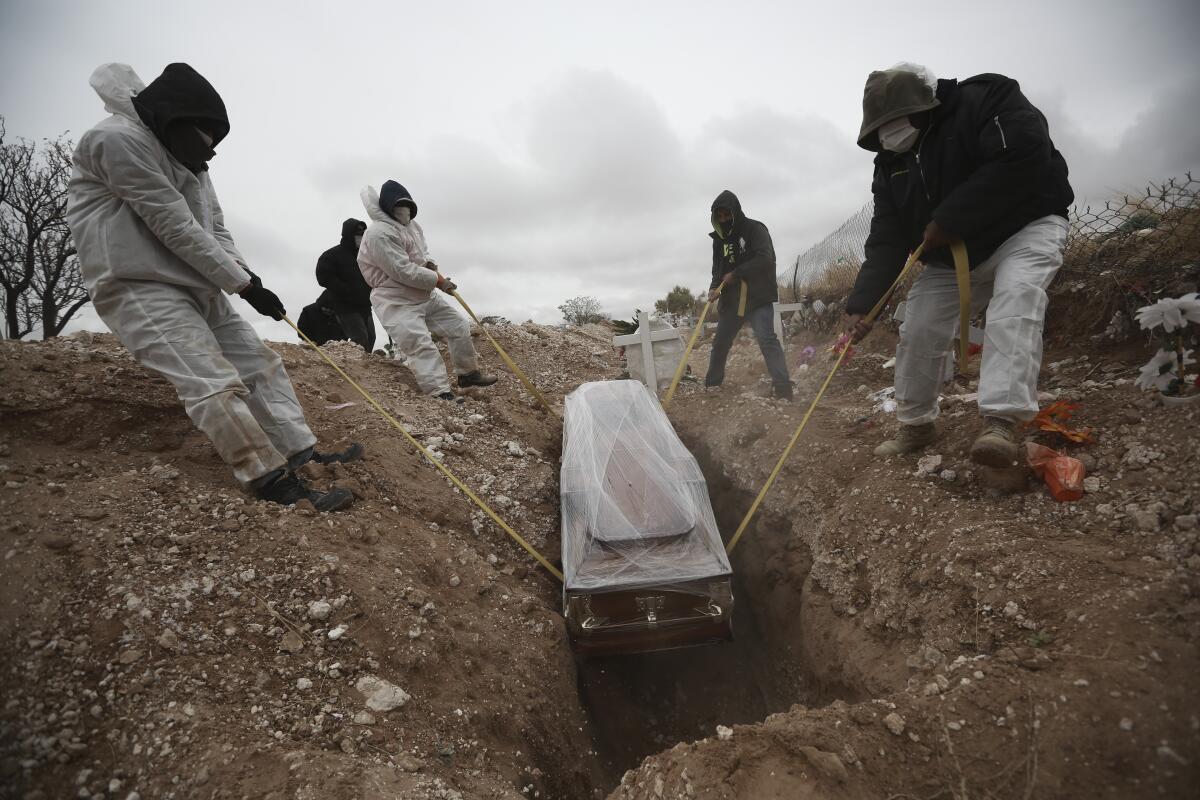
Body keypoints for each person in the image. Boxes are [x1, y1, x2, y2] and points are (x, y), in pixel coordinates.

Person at [65, 62, 361, 511]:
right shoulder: (115, 140)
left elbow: (214, 228)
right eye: (204, 141)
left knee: (260, 364)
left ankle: (301, 452)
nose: (210, 153)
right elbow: (173, 223)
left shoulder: (193, 160)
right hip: (137, 284)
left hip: (199, 282)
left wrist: (250, 279)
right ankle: (269, 480)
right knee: (211, 381)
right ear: (175, 121)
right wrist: (241, 285)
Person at [845, 63, 1074, 467]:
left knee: (1015, 302)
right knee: (919, 325)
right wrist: (863, 305)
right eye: (881, 127)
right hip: (952, 253)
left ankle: (1000, 422)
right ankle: (916, 424)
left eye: (896, 121)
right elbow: (887, 237)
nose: (889, 133)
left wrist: (949, 219)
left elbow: (1021, 158)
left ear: (924, 105)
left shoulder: (987, 98)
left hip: (1023, 228)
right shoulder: (889, 162)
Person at [357, 180, 496, 401]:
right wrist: (438, 281)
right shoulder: (378, 234)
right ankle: (440, 393)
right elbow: (402, 270)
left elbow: (422, 252)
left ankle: (467, 374)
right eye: (399, 206)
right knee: (420, 344)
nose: (404, 210)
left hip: (423, 294)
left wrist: (431, 264)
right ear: (387, 206)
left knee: (458, 326)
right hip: (395, 300)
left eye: (407, 205)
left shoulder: (412, 226)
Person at [705, 190, 792, 399]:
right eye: (720, 217)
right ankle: (712, 386)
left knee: (766, 339)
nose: (724, 220)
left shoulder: (755, 229)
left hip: (757, 297)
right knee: (720, 343)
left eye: (727, 215)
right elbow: (718, 268)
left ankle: (783, 389)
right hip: (732, 301)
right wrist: (714, 286)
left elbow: (766, 258)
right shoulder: (719, 239)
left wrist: (736, 274)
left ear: (735, 212)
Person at [315, 218, 375, 351]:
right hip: (345, 306)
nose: (361, 238)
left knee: (371, 337)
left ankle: (367, 368)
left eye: (363, 235)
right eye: (358, 235)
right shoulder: (331, 255)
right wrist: (347, 290)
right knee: (360, 338)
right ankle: (357, 368)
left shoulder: (366, 256)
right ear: (348, 235)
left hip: (365, 305)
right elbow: (323, 278)